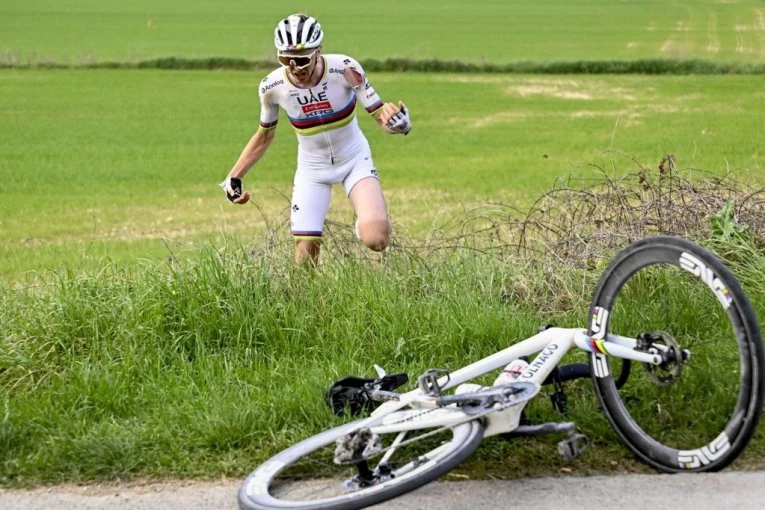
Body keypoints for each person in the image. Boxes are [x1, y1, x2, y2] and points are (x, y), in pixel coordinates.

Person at [220, 13, 412, 265]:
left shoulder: (344, 69)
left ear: (318, 50)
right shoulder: (271, 87)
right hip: (313, 168)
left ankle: (365, 222)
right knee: (304, 263)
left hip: (354, 158)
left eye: (301, 59)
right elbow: (264, 135)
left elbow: (380, 118)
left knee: (376, 240)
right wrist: (234, 177)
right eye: (285, 59)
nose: (294, 67)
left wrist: (399, 124)